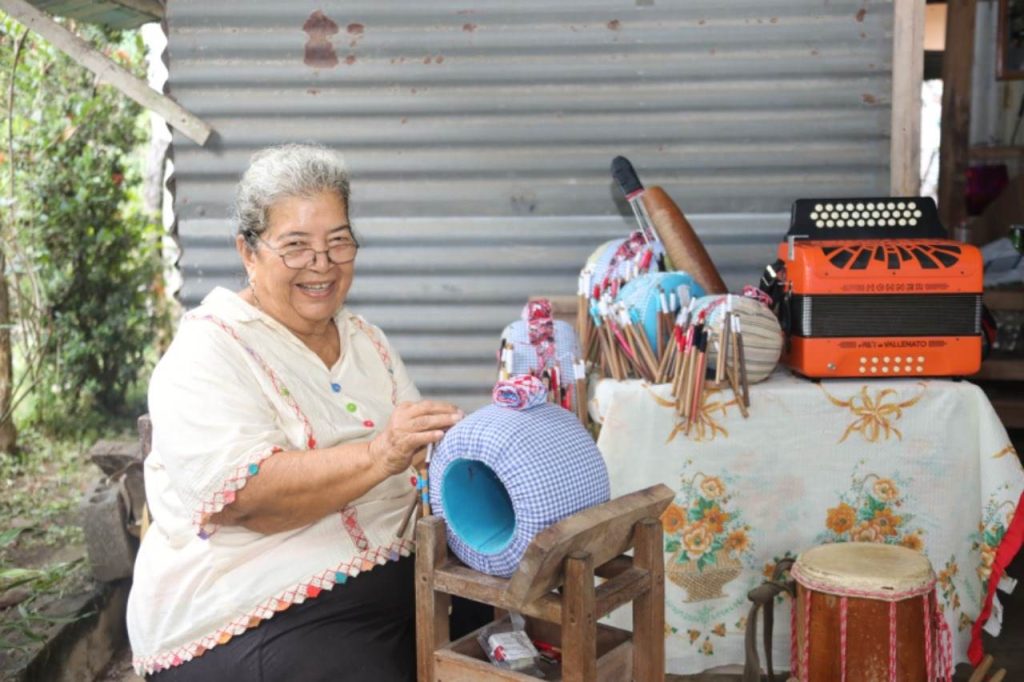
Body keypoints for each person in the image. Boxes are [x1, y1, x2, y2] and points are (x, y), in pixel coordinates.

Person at [127, 144, 464, 681]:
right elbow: (247, 499)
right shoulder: (207, 352)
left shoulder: (366, 342)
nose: (322, 265)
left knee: (505, 628)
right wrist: (382, 452)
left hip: (390, 575)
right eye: (297, 247)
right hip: (246, 609)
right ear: (248, 251)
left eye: (338, 242)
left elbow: (422, 462)